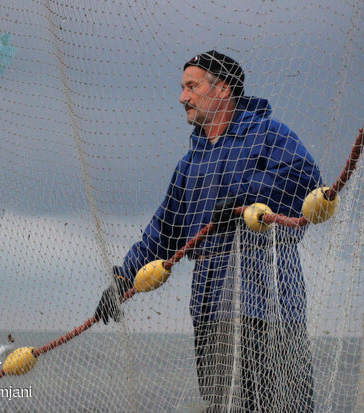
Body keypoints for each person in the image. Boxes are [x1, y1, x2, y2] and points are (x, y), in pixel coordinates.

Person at [94, 51, 321, 412]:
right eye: (183, 88)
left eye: (192, 86)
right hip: (210, 308)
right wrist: (125, 279)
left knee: (281, 404)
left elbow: (307, 182)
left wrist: (244, 196)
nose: (182, 97)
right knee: (222, 404)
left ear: (222, 89)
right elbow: (164, 230)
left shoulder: (267, 132)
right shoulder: (190, 163)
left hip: (268, 302)